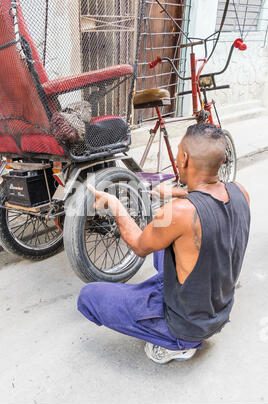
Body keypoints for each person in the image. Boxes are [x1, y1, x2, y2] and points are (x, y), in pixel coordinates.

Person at [77, 123, 250, 364]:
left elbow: (138, 244)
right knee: (168, 248)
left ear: (185, 158)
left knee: (89, 296)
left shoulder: (181, 214)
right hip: (220, 309)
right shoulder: (241, 191)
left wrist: (114, 204)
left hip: (187, 327)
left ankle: (176, 346)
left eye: (179, 151)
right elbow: (210, 196)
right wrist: (176, 192)